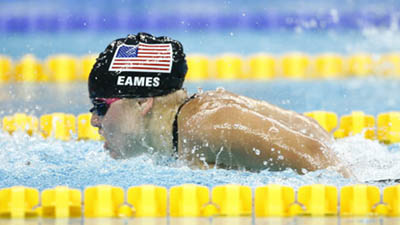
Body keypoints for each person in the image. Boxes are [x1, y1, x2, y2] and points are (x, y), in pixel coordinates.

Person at [88, 32, 352, 177]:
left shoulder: (208, 126)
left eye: (100, 107)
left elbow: (321, 159)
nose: (94, 121)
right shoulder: (186, 126)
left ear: (143, 101)